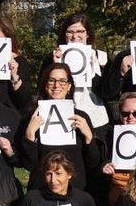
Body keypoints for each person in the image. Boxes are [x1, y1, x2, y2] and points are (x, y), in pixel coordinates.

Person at [20, 63, 103, 191]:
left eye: (62, 81)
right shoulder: (33, 117)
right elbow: (29, 164)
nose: (56, 85)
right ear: (45, 84)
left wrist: (89, 137)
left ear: (69, 86)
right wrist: (29, 136)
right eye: (52, 80)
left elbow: (93, 163)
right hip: (42, 191)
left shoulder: (81, 117)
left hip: (74, 191)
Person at [40, 13, 111, 131]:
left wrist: (93, 70)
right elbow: (43, 87)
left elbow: (105, 92)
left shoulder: (101, 57)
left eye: (80, 31)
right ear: (64, 34)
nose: (75, 36)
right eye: (70, 32)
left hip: (95, 120)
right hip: (62, 117)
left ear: (87, 34)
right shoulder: (52, 57)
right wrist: (55, 65)